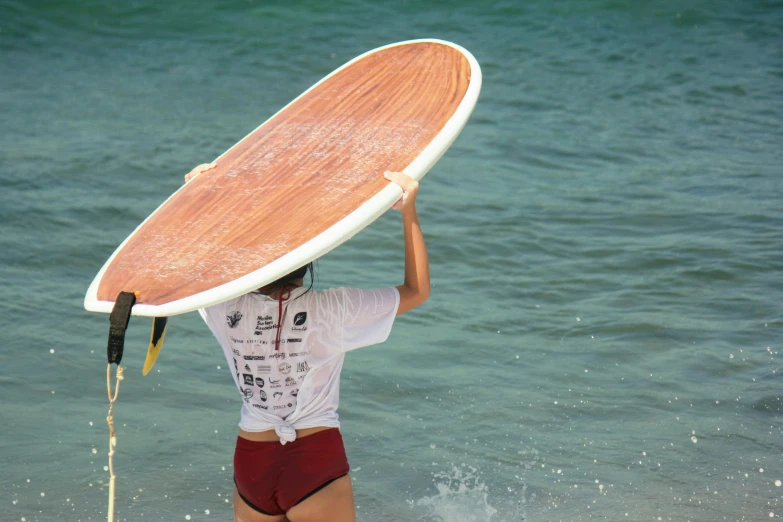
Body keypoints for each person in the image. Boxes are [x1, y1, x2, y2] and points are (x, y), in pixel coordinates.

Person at [184, 164, 430, 522]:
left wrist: (196, 201)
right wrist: (408, 211)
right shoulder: (333, 308)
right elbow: (417, 290)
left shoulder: (224, 306)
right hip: (315, 460)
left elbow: (182, 270)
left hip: (252, 464)